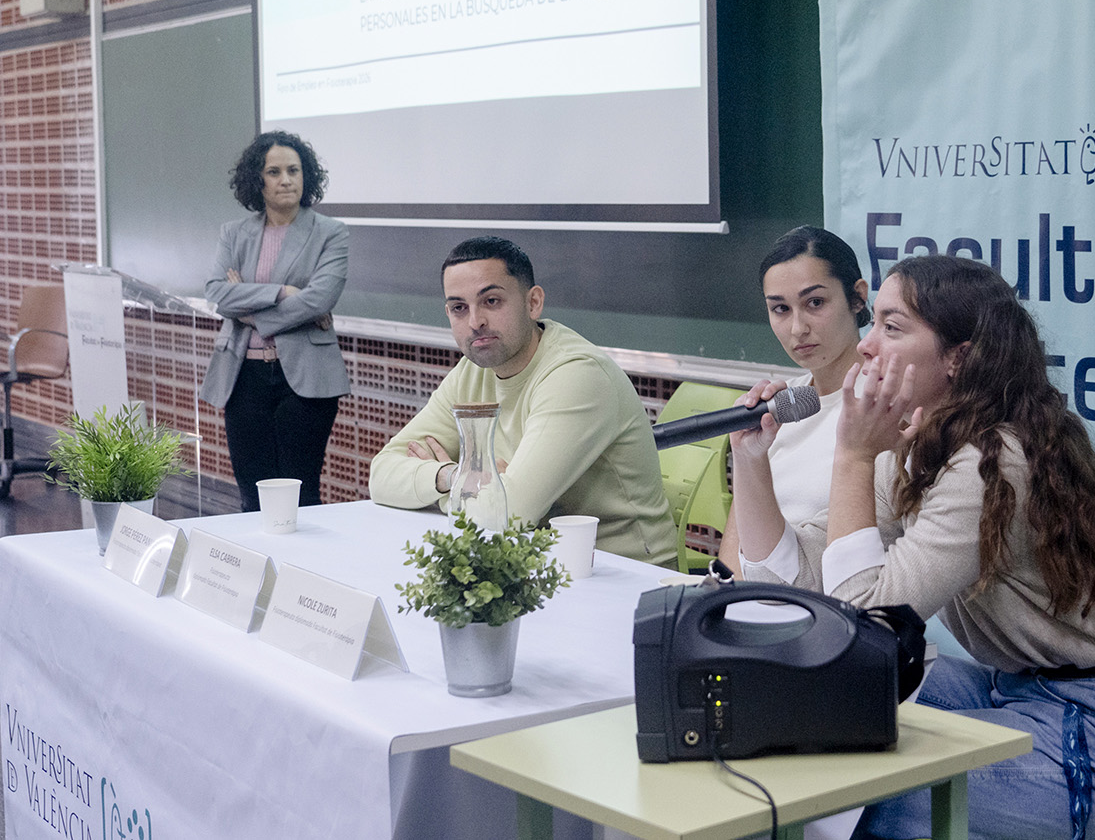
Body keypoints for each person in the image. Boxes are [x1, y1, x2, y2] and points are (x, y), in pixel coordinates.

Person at [736, 255, 1095, 840]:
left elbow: (869, 624)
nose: (866, 345)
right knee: (797, 694)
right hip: (1014, 690)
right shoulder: (922, 446)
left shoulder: (991, 464)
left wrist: (853, 456)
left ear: (958, 358)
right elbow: (790, 587)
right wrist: (751, 463)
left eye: (892, 327)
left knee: (839, 796)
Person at [368, 236, 676, 566]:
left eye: (491, 301)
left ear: (533, 303)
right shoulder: (473, 370)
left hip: (623, 575)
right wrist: (455, 477)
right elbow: (381, 475)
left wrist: (447, 492)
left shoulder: (576, 374)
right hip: (533, 565)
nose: (475, 322)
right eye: (459, 308)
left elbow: (507, 515)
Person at [202, 132, 350, 512]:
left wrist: (247, 308)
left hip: (305, 379)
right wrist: (283, 291)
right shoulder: (234, 233)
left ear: (306, 176)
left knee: (302, 495)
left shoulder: (330, 233)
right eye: (274, 172)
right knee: (253, 498)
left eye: (294, 171)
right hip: (243, 377)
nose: (286, 180)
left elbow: (319, 299)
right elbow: (217, 293)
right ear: (258, 180)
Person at [718, 225, 868, 575]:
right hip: (756, 598)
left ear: (857, 297)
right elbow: (735, 546)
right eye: (781, 309)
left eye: (815, 303)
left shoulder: (883, 406)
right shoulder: (779, 403)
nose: (798, 328)